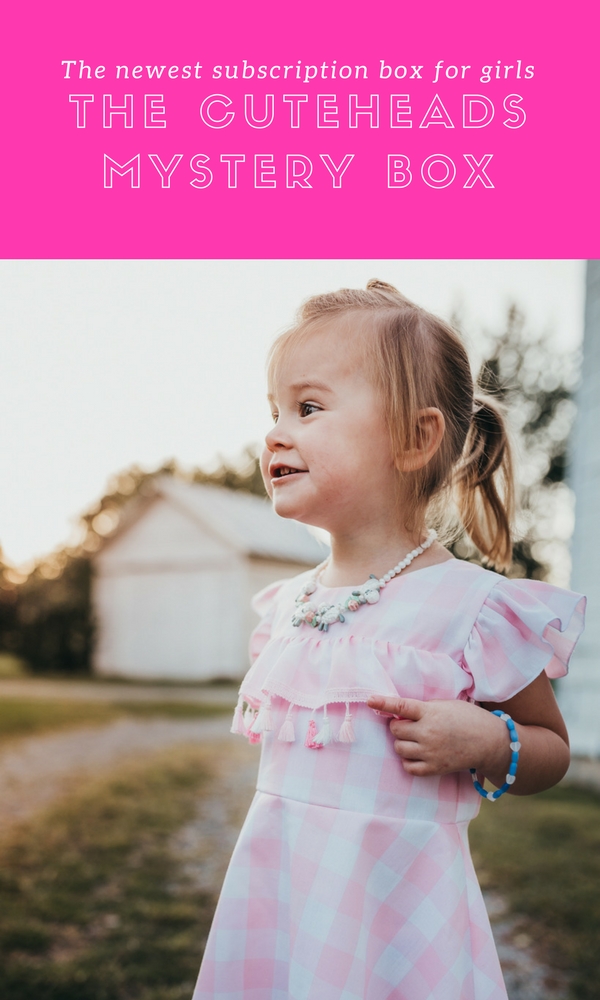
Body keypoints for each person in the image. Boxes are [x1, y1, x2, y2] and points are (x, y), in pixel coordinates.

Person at [192, 281, 585, 1000]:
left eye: (308, 408)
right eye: (274, 411)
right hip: (281, 905)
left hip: (400, 923)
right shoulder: (288, 605)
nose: (276, 433)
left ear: (415, 439)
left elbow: (552, 748)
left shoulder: (471, 610)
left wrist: (493, 742)